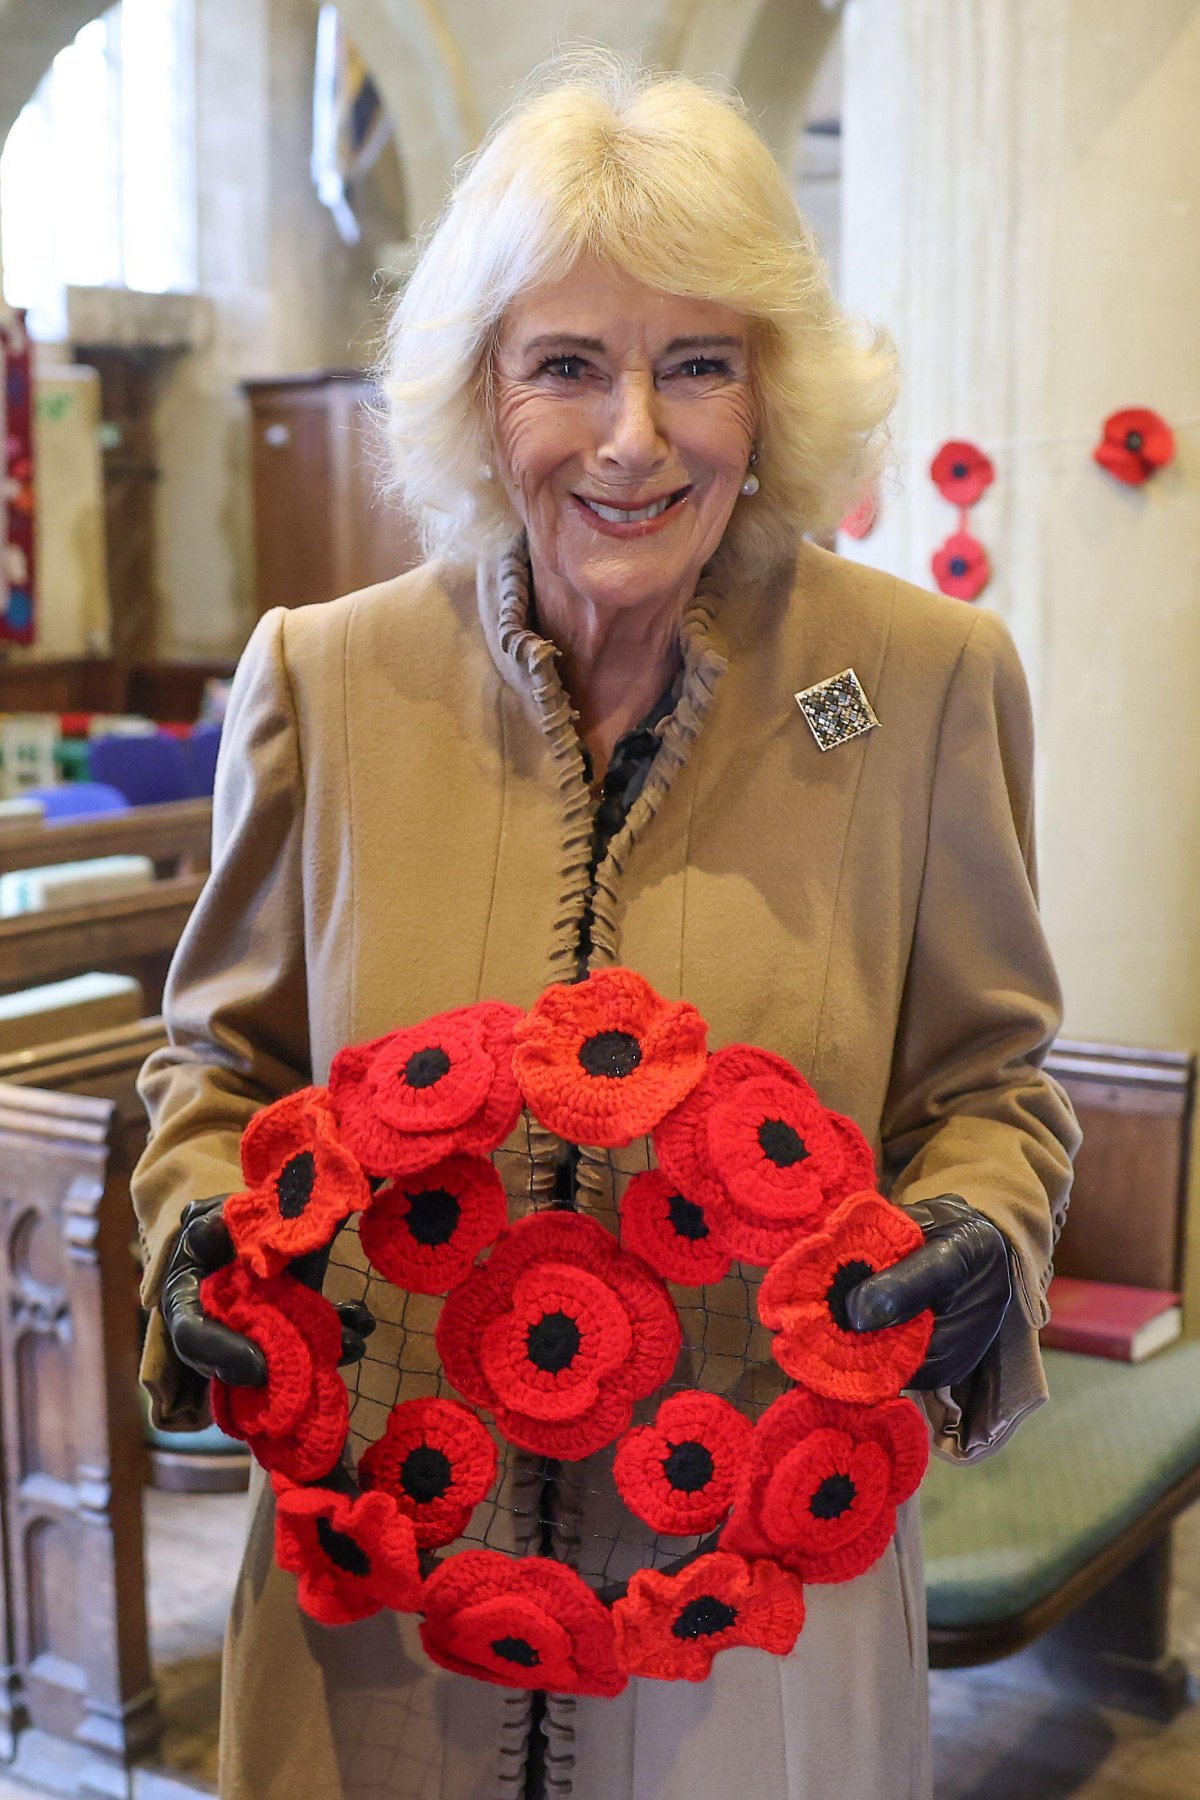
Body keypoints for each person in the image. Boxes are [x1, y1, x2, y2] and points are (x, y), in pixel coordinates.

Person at [131, 54, 1079, 1800]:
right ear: (485, 395)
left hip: (747, 1644)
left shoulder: (925, 682)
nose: (633, 436)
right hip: (379, 1633)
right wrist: (195, 1226)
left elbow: (992, 1081)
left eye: (695, 365)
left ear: (767, 396)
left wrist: (974, 1226)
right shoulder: (325, 682)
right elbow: (222, 1073)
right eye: (567, 364)